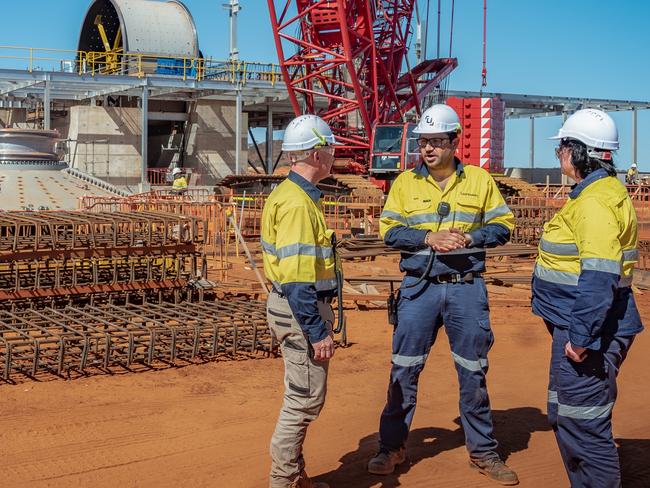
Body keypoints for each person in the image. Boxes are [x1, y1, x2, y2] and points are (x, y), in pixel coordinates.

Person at [368, 104, 519, 485]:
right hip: (419, 289)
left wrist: (470, 237)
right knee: (404, 367)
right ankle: (392, 446)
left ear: (455, 141)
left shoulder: (480, 181)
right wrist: (427, 238)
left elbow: (503, 225)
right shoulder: (405, 184)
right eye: (424, 142)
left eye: (437, 141)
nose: (429, 149)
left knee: (473, 371)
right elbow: (389, 232)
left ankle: (483, 451)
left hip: (465, 288)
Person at [532, 109, 643, 487]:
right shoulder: (598, 192)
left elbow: (599, 276)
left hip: (587, 333)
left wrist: (581, 337)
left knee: (583, 428)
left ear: (579, 151)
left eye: (563, 146)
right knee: (564, 415)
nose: (559, 154)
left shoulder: (594, 202)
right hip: (579, 326)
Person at [261, 114, 339, 488]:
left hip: (292, 307)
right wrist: (317, 331)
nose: (334, 153)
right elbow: (296, 279)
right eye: (330, 147)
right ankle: (284, 481)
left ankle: (294, 475)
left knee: (302, 395)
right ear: (316, 153)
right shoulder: (296, 205)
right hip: (298, 310)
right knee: (304, 400)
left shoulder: (293, 196)